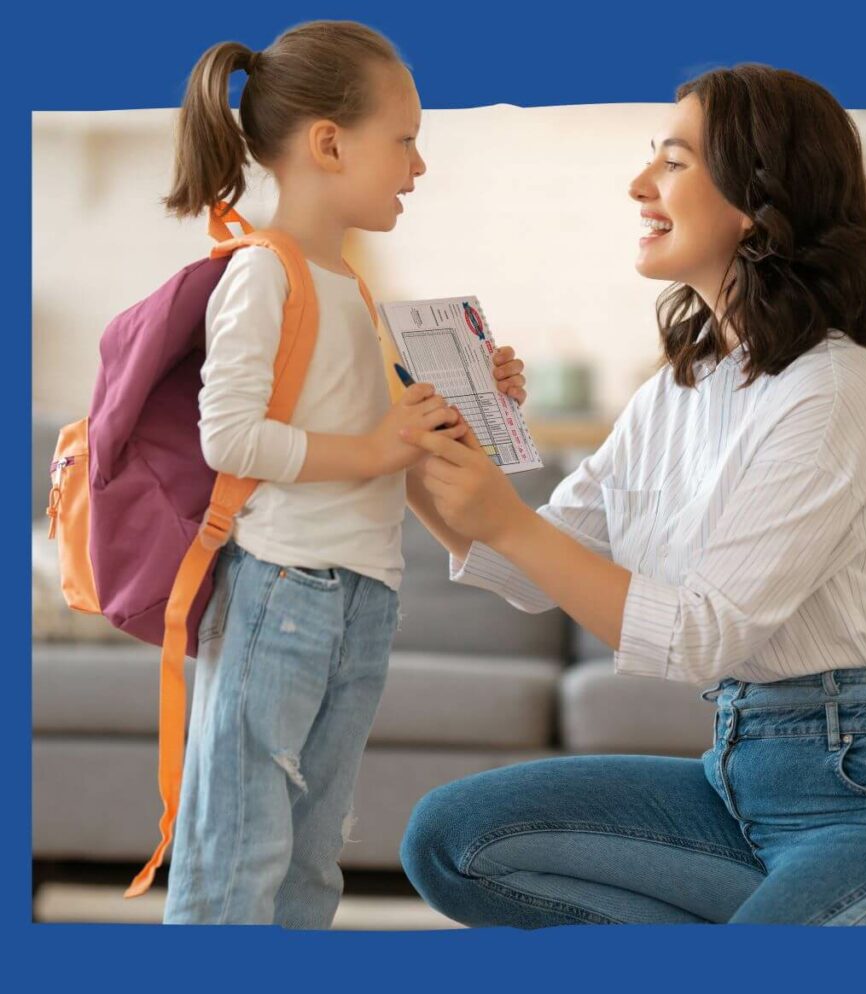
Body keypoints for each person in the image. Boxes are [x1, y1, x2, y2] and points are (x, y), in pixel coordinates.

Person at [397, 64, 866, 926]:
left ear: (758, 196)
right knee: (453, 838)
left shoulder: (833, 391)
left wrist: (505, 519)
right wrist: (419, 455)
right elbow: (524, 567)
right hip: (738, 782)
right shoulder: (676, 392)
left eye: (671, 162)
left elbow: (703, 636)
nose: (639, 185)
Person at [160, 20, 526, 927]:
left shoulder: (351, 289)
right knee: (234, 861)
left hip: (360, 600)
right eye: (405, 140)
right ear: (329, 143)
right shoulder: (262, 272)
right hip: (283, 592)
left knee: (311, 864)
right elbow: (231, 438)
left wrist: (472, 399)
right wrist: (377, 447)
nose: (418, 165)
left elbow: (383, 438)